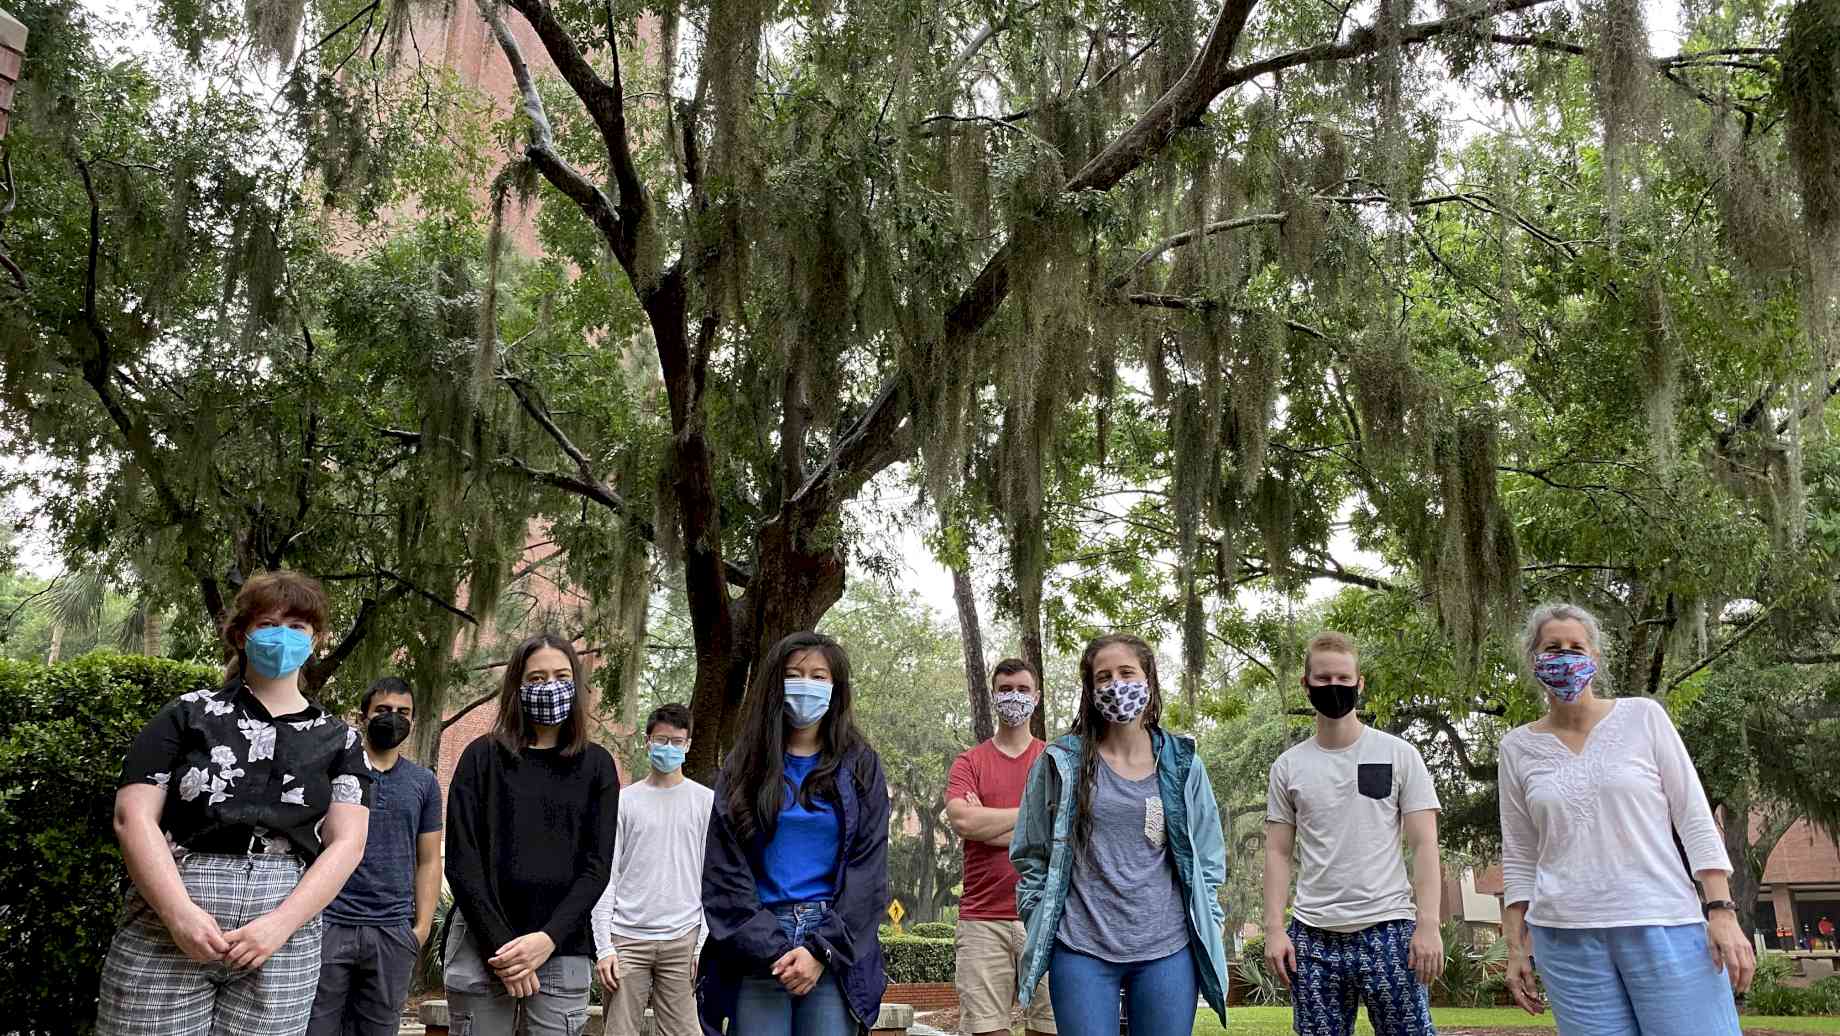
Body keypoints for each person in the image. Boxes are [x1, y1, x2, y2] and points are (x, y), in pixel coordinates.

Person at [98, 571, 373, 1036]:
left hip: (283, 934)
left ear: (317, 639)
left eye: (297, 627)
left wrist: (280, 925)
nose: (281, 635)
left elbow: (348, 843)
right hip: (168, 926)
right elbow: (133, 817)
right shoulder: (185, 715)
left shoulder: (342, 741)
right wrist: (179, 915)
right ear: (241, 634)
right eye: (267, 623)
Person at [1499, 603, 1754, 1034]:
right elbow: (1521, 854)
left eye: (1576, 647)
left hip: (1663, 923)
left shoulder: (1643, 717)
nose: (1565, 656)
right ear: (1534, 661)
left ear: (1595, 658)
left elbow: (1693, 815)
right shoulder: (1516, 747)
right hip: (1566, 939)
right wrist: (1515, 947)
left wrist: (1722, 910)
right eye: (1552, 647)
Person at [1011, 633, 1230, 1035]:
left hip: (1167, 948)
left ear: (1148, 680)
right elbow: (1030, 851)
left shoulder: (1182, 763)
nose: (1116, 685)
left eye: (1127, 672)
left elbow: (1209, 854)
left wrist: (1210, 920)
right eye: (1104, 677)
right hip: (1081, 947)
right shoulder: (1062, 763)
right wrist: (1041, 916)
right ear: (1091, 691)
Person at [700, 631, 891, 1036]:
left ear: (836, 689)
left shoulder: (860, 766)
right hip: (757, 941)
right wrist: (775, 948)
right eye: (795, 674)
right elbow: (724, 873)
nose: (808, 684)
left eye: (819, 676)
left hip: (832, 942)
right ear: (775, 684)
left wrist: (820, 950)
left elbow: (868, 871)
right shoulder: (743, 767)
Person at [1262, 631, 1443, 1036]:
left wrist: (1428, 924)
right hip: (1313, 937)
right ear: (1306, 684)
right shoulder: (1288, 767)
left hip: (1390, 930)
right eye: (1323, 680)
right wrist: (1274, 928)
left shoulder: (1399, 754)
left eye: (1344, 680)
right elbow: (1277, 853)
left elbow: (1424, 843)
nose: (1334, 688)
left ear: (1360, 684)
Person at [443, 633, 620, 1034]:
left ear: (575, 683)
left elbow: (597, 868)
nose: (549, 686)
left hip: (562, 947)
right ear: (517, 687)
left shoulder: (597, 766)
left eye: (560, 675)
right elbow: (461, 861)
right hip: (483, 946)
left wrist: (547, 939)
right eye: (536, 678)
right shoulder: (481, 758)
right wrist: (504, 949)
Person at [306, 677, 443, 1036]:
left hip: (392, 932)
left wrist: (421, 929)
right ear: (363, 716)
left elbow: (429, 860)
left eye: (403, 712)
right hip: (329, 922)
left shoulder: (423, 783)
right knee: (315, 1027)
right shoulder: (332, 771)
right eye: (383, 710)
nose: (393, 718)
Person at [945, 658, 1056, 1036]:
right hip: (981, 919)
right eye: (1006, 689)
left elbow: (1063, 832)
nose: (1014, 697)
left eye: (1023, 690)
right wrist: (1034, 818)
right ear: (994, 695)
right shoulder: (969, 762)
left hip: (1046, 915)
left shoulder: (1054, 761)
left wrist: (986, 824)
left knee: (1050, 1027)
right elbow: (963, 821)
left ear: (1037, 697)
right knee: (985, 1030)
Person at [590, 703, 713, 1036]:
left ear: (688, 744)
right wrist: (605, 947)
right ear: (647, 741)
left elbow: (710, 878)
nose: (668, 748)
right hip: (627, 938)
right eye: (661, 740)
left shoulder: (706, 802)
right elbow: (606, 877)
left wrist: (701, 944)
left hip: (682, 938)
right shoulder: (624, 801)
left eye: (676, 741)